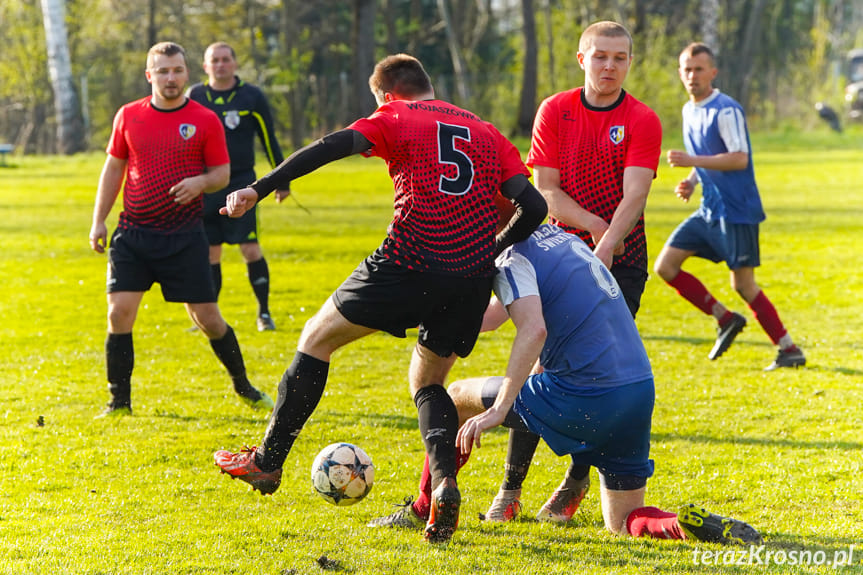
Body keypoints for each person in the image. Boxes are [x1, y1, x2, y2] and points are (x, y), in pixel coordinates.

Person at [212, 54, 548, 544]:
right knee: (430, 382)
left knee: (316, 339)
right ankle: (444, 487)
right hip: (469, 277)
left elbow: (331, 146)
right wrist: (488, 249)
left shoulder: (395, 116)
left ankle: (267, 462)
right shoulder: (488, 132)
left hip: (406, 262)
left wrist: (260, 188)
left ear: (386, 94)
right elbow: (533, 205)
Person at [369, 223, 762, 547]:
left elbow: (533, 328)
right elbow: (492, 316)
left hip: (585, 394)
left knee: (455, 398)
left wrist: (499, 409)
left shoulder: (512, 257)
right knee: (623, 520)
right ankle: (682, 524)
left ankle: (425, 506)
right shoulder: (563, 239)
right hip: (638, 389)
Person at [486, 20, 663, 527]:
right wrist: (591, 228)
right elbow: (546, 193)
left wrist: (605, 246)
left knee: (590, 375)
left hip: (619, 263)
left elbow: (636, 195)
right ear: (582, 59)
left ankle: (574, 480)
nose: (610, 66)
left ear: (630, 62)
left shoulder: (641, 118)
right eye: (601, 56)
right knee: (539, 364)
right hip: (554, 255)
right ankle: (511, 488)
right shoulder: (556, 110)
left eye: (620, 58)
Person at [88, 41, 274, 416]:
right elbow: (113, 169)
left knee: (208, 319)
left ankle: (243, 384)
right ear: (149, 75)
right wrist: (98, 220)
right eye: (162, 71)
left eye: (176, 71)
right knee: (118, 313)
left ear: (187, 74)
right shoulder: (128, 115)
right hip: (134, 233)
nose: (170, 78)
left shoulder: (205, 119)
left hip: (184, 236)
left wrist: (200, 183)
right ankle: (118, 401)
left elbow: (222, 173)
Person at [654, 43, 805, 371]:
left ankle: (788, 348)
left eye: (698, 69)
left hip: (737, 211)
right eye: (687, 69)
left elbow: (738, 158)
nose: (692, 75)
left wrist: (691, 161)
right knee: (665, 266)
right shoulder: (688, 110)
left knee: (743, 285)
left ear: (713, 73)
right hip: (709, 210)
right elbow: (709, 153)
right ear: (680, 72)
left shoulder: (726, 109)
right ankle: (724, 318)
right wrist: (693, 181)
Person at [188, 42, 289, 332]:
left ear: (234, 63)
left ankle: (264, 313)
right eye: (214, 60)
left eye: (225, 59)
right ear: (205, 66)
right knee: (210, 252)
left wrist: (282, 180)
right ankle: (209, 316)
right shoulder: (195, 96)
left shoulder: (251, 96)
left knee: (250, 248)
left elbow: (269, 138)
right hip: (206, 184)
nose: (220, 65)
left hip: (241, 184)